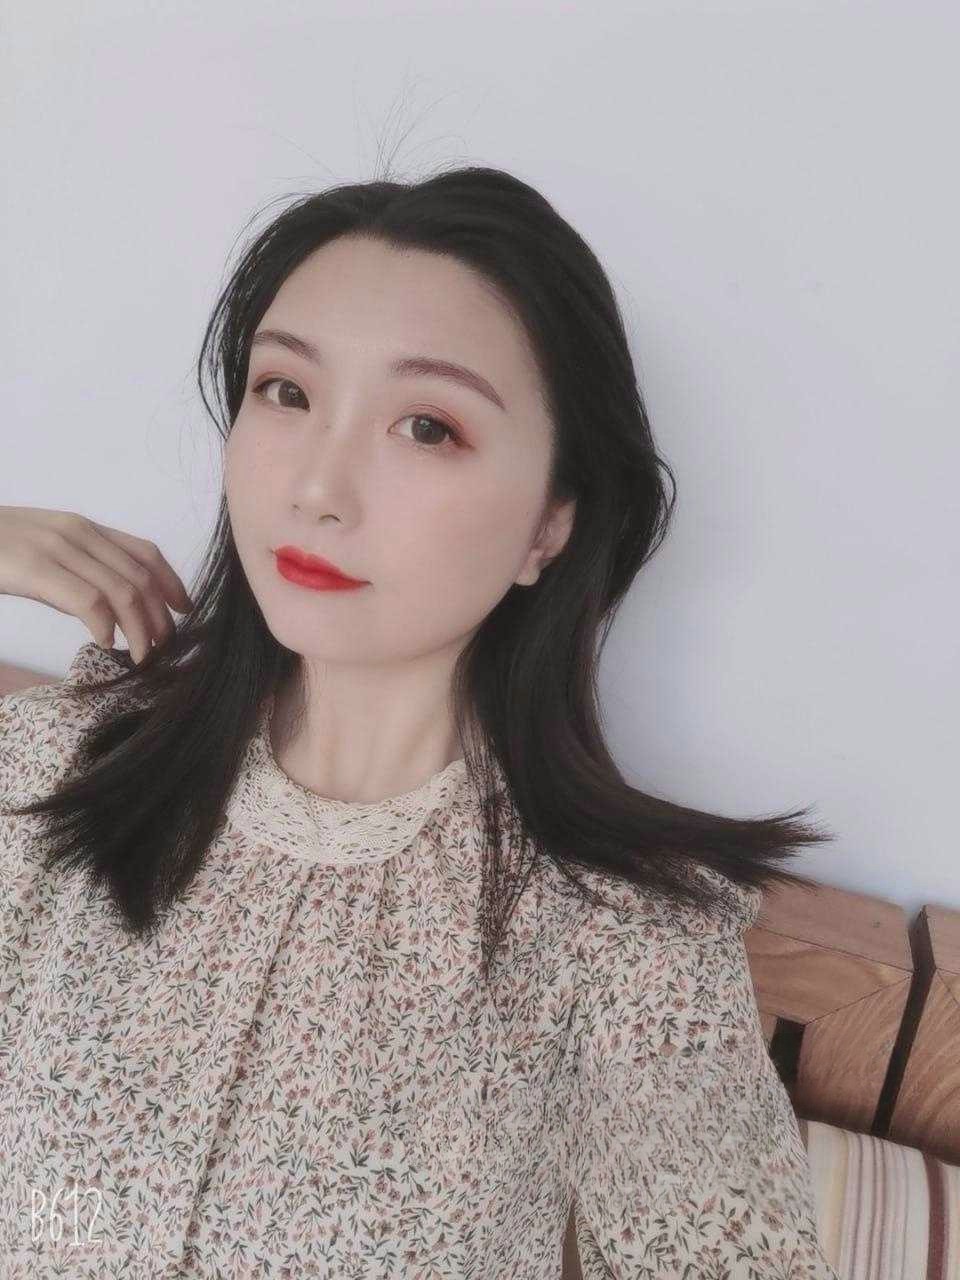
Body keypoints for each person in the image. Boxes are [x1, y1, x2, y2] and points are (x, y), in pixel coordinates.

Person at [0, 166, 840, 1278]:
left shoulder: (626, 944)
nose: (317, 487)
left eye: (427, 427)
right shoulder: (53, 765)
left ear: (549, 525)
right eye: (285, 391)